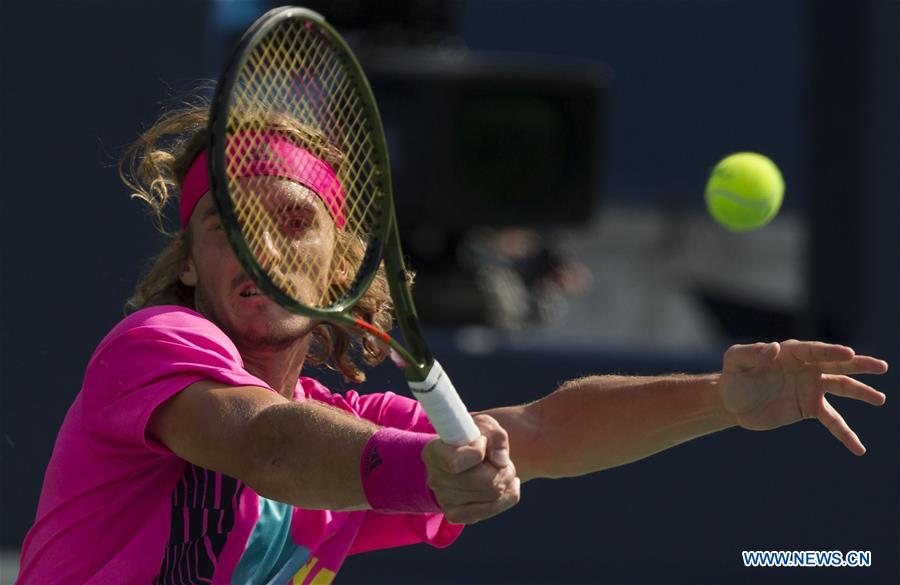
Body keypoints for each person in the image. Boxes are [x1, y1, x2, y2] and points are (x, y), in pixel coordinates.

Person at [17, 104, 889, 585]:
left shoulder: (346, 429)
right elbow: (264, 444)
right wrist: (424, 469)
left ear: (340, 267)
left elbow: (540, 433)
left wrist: (718, 399)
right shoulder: (154, 346)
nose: (260, 248)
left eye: (292, 221)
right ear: (189, 265)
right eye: (225, 224)